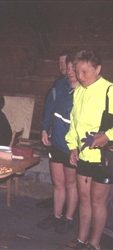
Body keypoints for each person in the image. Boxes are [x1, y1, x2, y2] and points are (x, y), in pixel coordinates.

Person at [64, 50, 113, 250]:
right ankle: (81, 239)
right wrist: (72, 146)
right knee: (84, 199)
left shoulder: (110, 90)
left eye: (85, 72)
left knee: (97, 201)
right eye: (77, 71)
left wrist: (108, 136)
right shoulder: (78, 91)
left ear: (98, 69)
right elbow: (74, 123)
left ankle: (94, 243)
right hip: (83, 154)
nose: (80, 76)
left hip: (104, 157)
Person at [38, 52, 79, 234]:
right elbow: (49, 109)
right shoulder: (59, 85)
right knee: (58, 183)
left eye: (72, 68)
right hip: (56, 142)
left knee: (71, 183)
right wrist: (45, 128)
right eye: (67, 68)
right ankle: (56, 216)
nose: (69, 71)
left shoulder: (84, 91)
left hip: (72, 147)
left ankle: (68, 218)